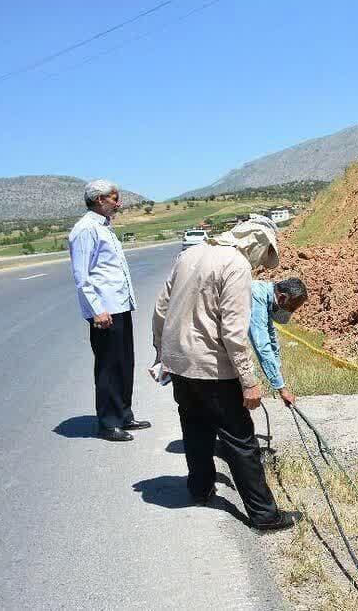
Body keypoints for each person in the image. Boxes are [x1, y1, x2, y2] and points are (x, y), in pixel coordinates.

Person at [152, 216, 298, 530]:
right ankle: (264, 515)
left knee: (195, 428)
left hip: (180, 364)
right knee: (241, 442)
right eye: (263, 255)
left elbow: (161, 309)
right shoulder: (237, 266)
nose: (260, 263)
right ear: (257, 244)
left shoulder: (189, 255)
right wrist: (248, 381)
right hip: (213, 369)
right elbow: (233, 332)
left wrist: (161, 353)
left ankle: (200, 488)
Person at [68, 180, 150, 442]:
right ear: (100, 199)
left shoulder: (104, 227)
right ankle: (108, 422)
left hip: (120, 306)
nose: (119, 203)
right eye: (114, 198)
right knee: (108, 367)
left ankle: (124, 415)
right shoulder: (85, 230)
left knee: (124, 363)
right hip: (105, 311)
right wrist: (97, 311)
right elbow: (82, 277)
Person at [248, 277, 308, 405]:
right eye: (290, 308)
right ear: (282, 298)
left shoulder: (267, 297)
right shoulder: (256, 296)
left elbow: (271, 336)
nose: (290, 312)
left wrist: (277, 370)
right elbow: (261, 345)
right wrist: (282, 389)